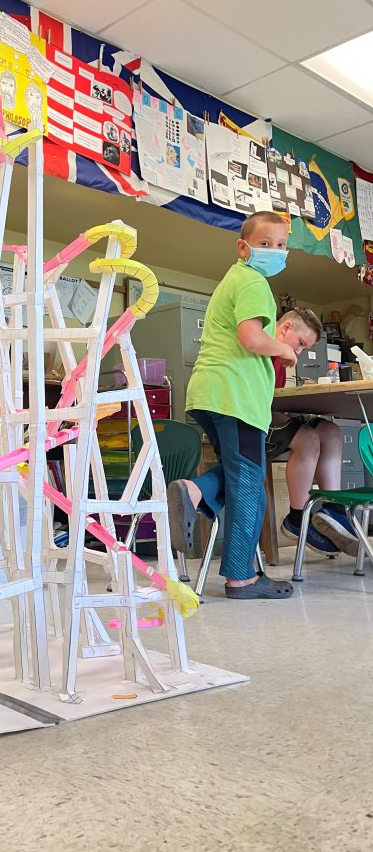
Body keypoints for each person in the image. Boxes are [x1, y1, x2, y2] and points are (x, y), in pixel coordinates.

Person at [168, 210, 296, 599]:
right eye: (265, 244)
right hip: (234, 397)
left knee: (241, 475)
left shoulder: (234, 280)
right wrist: (285, 349)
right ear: (243, 247)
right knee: (248, 484)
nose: (275, 252)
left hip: (212, 393)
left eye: (281, 246)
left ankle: (195, 491)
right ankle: (241, 576)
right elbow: (252, 338)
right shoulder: (253, 282)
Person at [268, 309, 359, 557]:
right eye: (300, 344)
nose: (299, 352)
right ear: (286, 328)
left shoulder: (281, 357)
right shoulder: (262, 345)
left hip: (274, 411)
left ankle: (334, 508)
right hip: (252, 416)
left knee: (330, 431)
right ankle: (297, 519)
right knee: (308, 439)